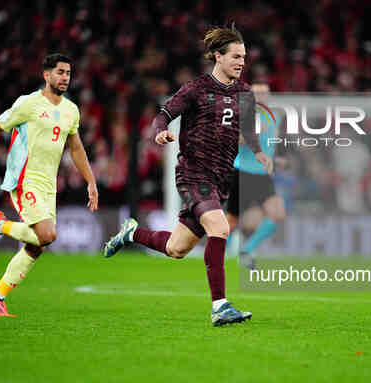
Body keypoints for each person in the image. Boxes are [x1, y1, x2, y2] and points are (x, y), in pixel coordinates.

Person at [103, 26, 273, 326]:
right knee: (220, 228)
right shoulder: (195, 89)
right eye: (236, 56)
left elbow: (247, 130)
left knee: (177, 248)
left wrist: (258, 152)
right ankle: (220, 306)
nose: (242, 62)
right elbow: (164, 115)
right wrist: (160, 132)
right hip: (194, 174)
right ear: (218, 56)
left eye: (244, 57)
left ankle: (130, 233)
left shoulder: (244, 93)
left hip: (220, 179)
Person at [0, 53, 99, 317]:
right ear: (46, 75)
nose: (65, 77)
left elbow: (76, 148)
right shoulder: (28, 103)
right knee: (47, 235)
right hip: (25, 179)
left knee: (37, 245)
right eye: (59, 72)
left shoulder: (71, 110)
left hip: (48, 185)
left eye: (68, 73)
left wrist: (91, 181)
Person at [225, 83, 286, 269]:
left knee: (277, 214)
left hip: (262, 175)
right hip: (242, 173)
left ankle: (246, 250)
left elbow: (271, 144)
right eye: (256, 94)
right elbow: (235, 141)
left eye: (264, 94)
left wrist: (278, 160)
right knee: (231, 220)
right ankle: (219, 255)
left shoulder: (274, 116)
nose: (260, 97)